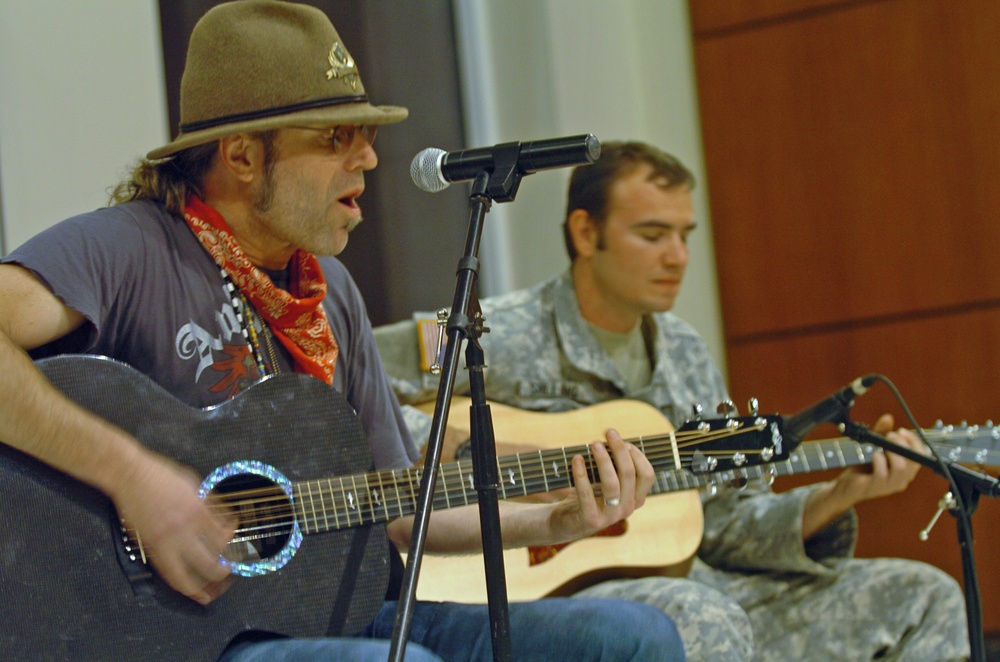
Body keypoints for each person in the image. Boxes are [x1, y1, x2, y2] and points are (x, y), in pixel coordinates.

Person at [0, 4, 686, 661]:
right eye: (336, 137)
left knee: (631, 637)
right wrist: (132, 477)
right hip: (161, 638)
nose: (368, 159)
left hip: (316, 615)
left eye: (367, 135)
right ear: (242, 156)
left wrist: (553, 524)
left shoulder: (329, 293)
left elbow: (392, 507)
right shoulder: (125, 249)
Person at [376, 141, 971, 661]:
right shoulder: (488, 331)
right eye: (653, 234)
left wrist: (843, 493)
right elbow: (352, 386)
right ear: (586, 233)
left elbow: (727, 522)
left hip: (698, 581)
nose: (678, 256)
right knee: (699, 618)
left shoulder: (684, 351)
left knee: (924, 596)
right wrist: (499, 456)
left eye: (684, 235)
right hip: (566, 597)